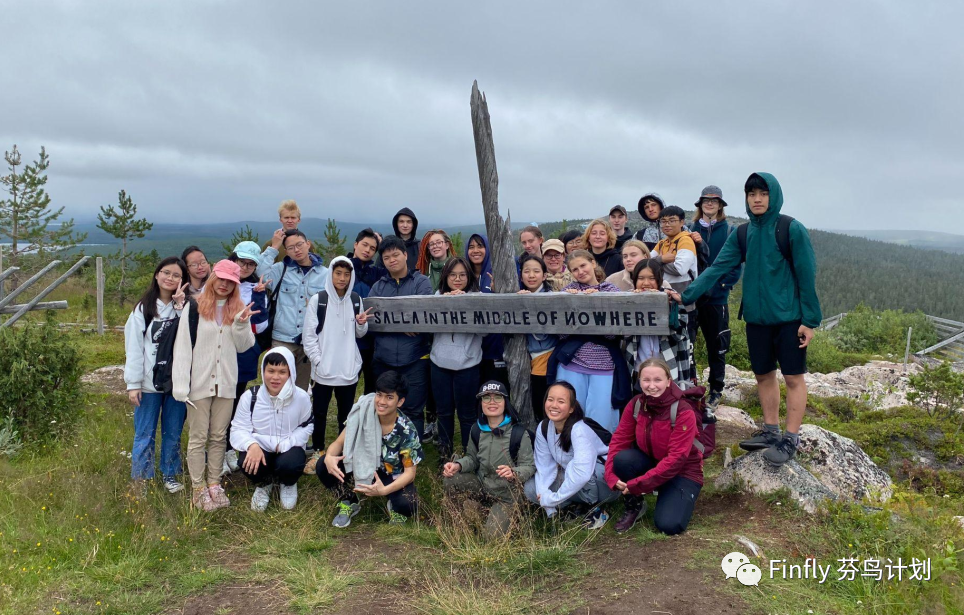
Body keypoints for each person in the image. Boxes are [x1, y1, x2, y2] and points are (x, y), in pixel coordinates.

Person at [681, 172, 822, 466]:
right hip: (757, 318)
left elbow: (807, 276)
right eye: (751, 194)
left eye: (762, 194)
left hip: (789, 318)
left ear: (773, 196)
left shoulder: (790, 229)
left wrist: (810, 320)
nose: (757, 199)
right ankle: (771, 432)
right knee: (763, 374)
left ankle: (790, 438)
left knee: (793, 377)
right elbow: (718, 267)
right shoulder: (743, 233)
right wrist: (686, 295)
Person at [172, 260, 258, 511]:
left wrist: (241, 324)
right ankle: (198, 488)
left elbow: (244, 346)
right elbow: (183, 346)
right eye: (220, 279)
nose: (224, 284)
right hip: (199, 382)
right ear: (213, 278)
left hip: (226, 382)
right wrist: (181, 385)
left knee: (220, 436)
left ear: (235, 285)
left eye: (230, 281)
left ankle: (214, 483)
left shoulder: (238, 308)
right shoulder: (194, 306)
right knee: (198, 437)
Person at [605, 358, 705, 535]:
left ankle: (672, 493)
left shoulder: (683, 410)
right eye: (646, 380)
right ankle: (635, 506)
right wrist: (610, 476)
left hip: (683, 470)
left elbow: (676, 460)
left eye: (657, 380)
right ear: (639, 381)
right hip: (652, 462)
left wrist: (637, 484)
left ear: (668, 381)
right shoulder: (636, 404)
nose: (651, 386)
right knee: (622, 459)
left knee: (669, 525)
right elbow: (619, 441)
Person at [316, 371, 423, 527]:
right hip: (361, 464)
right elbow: (338, 443)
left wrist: (384, 491)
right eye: (379, 395)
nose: (381, 401)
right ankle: (349, 500)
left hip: (390, 475)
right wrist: (330, 456)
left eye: (389, 397)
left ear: (400, 402)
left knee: (409, 503)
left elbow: (410, 473)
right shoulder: (364, 413)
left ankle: (393, 504)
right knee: (322, 465)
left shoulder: (406, 431)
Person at [124, 256, 190, 494]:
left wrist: (181, 307)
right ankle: (141, 477)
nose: (170, 278)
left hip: (177, 383)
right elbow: (134, 348)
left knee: (173, 431)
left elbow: (191, 338)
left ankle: (170, 474)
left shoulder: (185, 307)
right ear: (156, 275)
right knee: (145, 432)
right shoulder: (144, 309)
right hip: (149, 383)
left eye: (176, 275)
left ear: (183, 280)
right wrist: (133, 383)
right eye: (166, 272)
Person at [546, 250, 631, 433]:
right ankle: (568, 457)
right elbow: (561, 333)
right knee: (569, 415)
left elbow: (612, 334)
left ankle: (601, 461)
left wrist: (595, 302)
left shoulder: (610, 290)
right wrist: (570, 300)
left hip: (604, 365)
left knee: (601, 419)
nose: (580, 271)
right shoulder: (566, 292)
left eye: (583, 265)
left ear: (593, 263)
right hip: (572, 364)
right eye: (575, 269)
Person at [442, 381, 535, 538]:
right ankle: (458, 523)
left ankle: (503, 515)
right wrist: (458, 465)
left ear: (505, 402)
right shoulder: (476, 429)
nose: (492, 402)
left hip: (507, 495)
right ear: (481, 404)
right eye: (486, 398)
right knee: (451, 480)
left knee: (490, 537)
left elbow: (529, 466)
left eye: (497, 398)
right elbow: (472, 458)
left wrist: (513, 472)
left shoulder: (519, 433)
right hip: (482, 486)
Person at [524, 381, 616, 529]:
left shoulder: (579, 429)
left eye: (561, 401)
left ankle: (595, 509)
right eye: (550, 399)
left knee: (577, 468)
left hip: (607, 482)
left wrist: (553, 499)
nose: (554, 405)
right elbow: (544, 466)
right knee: (531, 488)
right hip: (577, 476)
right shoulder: (544, 427)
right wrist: (548, 504)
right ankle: (573, 506)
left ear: (571, 408)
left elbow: (582, 474)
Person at [230, 348, 313, 511]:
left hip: (288, 446)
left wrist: (285, 444)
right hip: (260, 446)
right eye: (271, 371)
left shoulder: (301, 397)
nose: (275, 377)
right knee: (245, 460)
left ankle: (288, 483)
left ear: (290, 373)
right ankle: (264, 484)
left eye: (282, 372)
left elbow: (307, 426)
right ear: (263, 370)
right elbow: (238, 428)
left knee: (290, 463)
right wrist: (251, 445)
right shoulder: (251, 397)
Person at [303, 256, 371, 449]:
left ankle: (344, 451)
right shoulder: (319, 300)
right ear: (331, 274)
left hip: (348, 370)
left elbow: (360, 334)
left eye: (346, 274)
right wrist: (318, 361)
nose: (342, 278)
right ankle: (318, 449)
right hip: (323, 371)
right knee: (320, 413)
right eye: (338, 273)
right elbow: (309, 337)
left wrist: (361, 323)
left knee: (346, 414)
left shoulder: (356, 300)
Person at [368, 236, 433, 437]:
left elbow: (424, 316)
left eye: (396, 254)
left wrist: (392, 321)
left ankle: (411, 457)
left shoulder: (421, 283)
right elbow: (371, 320)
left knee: (413, 409)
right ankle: (385, 450)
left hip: (415, 358)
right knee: (384, 407)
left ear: (405, 255)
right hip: (384, 359)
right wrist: (402, 324)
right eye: (386, 257)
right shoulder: (378, 287)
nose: (392, 260)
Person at [686, 186, 742, 411]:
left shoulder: (729, 230)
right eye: (705, 201)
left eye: (714, 201)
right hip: (693, 298)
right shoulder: (690, 229)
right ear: (700, 205)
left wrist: (720, 286)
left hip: (717, 299)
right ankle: (691, 389)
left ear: (720, 205)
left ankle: (716, 390)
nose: (709, 204)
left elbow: (736, 265)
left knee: (716, 346)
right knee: (687, 344)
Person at [256, 229, 329, 390]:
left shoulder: (325, 274)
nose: (296, 250)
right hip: (282, 338)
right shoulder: (279, 270)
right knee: (276, 386)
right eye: (290, 248)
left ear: (308, 244)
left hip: (309, 341)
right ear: (286, 251)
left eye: (299, 245)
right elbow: (259, 271)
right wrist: (273, 247)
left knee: (301, 389)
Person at [223, 241, 271, 475]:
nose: (246, 267)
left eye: (251, 263)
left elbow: (261, 327)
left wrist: (260, 297)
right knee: (216, 400)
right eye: (242, 261)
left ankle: (228, 448)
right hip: (218, 351)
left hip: (242, 353)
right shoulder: (219, 283)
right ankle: (214, 448)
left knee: (235, 400)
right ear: (233, 259)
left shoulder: (256, 288)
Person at [431, 257, 483, 458]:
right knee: (443, 412)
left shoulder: (479, 297)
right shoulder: (436, 297)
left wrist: (465, 303)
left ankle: (469, 456)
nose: (458, 279)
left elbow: (487, 331)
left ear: (469, 276)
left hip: (468, 365)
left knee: (467, 414)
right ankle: (445, 455)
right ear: (446, 276)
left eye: (462, 274)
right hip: (439, 364)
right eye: (453, 274)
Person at [624, 260, 691, 388]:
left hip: (667, 368)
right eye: (641, 278)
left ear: (659, 280)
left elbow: (678, 335)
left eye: (652, 278)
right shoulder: (628, 301)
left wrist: (667, 306)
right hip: (638, 369)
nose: (646, 283)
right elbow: (624, 334)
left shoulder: (671, 299)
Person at [465, 233, 509, 389]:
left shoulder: (496, 272)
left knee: (497, 391)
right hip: (470, 349)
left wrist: (499, 290)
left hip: (495, 348)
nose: (475, 250)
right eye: (471, 247)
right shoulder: (463, 276)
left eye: (480, 246)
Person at [348, 228, 386, 395]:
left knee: (371, 386)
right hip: (347, 339)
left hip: (371, 340)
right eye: (364, 245)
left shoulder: (377, 273)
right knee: (348, 385)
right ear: (355, 244)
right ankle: (348, 419)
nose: (367, 250)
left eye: (372, 248)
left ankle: (368, 418)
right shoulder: (342, 269)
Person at [518, 253, 555, 418]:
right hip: (530, 358)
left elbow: (542, 333)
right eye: (526, 271)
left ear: (544, 275)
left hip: (547, 358)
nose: (531, 275)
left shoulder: (551, 297)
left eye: (536, 271)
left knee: (544, 406)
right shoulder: (518, 295)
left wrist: (528, 305)